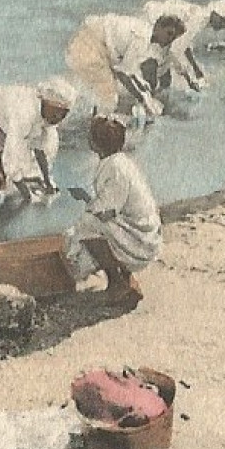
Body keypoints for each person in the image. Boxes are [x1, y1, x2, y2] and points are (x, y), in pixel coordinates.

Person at [64, 117, 161, 307]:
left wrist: (85, 201)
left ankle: (118, 283)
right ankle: (126, 279)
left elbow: (107, 212)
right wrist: (86, 198)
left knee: (86, 227)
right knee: (95, 222)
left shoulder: (114, 167)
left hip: (142, 238)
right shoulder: (120, 161)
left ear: (94, 143)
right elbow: (112, 205)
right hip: (143, 228)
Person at [0, 77, 77, 198]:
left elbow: (41, 150)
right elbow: (11, 157)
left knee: (18, 177)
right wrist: (27, 196)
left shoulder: (47, 119)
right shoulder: (24, 114)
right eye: (55, 112)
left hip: (1, 120)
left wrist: (47, 181)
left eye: (63, 114)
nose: (58, 117)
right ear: (44, 102)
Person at [65, 12, 186, 120]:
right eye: (169, 33)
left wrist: (142, 90)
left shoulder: (149, 40)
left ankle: (94, 121)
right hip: (91, 43)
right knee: (109, 99)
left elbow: (130, 71)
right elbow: (123, 73)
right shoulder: (142, 39)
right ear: (158, 27)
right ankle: (100, 133)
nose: (170, 39)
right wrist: (144, 101)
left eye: (174, 37)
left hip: (96, 42)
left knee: (104, 92)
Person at [139, 0, 225, 91]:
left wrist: (195, 68)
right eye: (224, 22)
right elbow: (174, 50)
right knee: (159, 75)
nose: (223, 27)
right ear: (217, 15)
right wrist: (189, 78)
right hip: (153, 24)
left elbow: (184, 43)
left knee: (162, 75)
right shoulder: (199, 20)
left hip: (157, 20)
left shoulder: (202, 15)